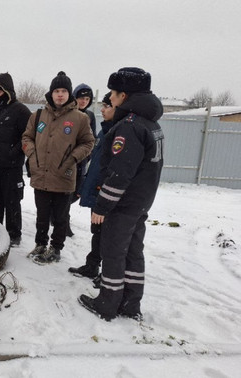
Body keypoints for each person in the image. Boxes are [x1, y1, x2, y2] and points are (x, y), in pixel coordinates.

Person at [78, 67, 165, 321]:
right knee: (133, 252)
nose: (110, 98)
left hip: (124, 204)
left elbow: (119, 173)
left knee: (114, 251)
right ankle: (130, 302)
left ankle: (108, 302)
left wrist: (102, 206)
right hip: (140, 203)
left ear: (124, 96)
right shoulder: (151, 123)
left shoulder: (129, 127)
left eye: (113, 93)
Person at [21, 71, 94, 264]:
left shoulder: (80, 118)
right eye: (56, 91)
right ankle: (40, 244)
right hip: (41, 173)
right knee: (42, 215)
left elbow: (88, 143)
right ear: (51, 93)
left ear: (69, 94)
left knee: (60, 218)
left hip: (64, 175)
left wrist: (72, 159)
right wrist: (32, 155)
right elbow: (26, 137)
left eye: (63, 91)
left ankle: (56, 248)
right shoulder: (38, 115)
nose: (59, 94)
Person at [68, 92, 115, 282]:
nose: (102, 110)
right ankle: (92, 265)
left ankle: (109, 275)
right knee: (97, 232)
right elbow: (97, 164)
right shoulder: (106, 131)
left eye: (106, 106)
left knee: (109, 236)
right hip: (98, 190)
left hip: (107, 194)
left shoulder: (120, 132)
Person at [0, 73, 31, 245]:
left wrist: (14, 151)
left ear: (7, 91)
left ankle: (14, 234)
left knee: (12, 201)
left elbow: (27, 136)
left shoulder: (21, 111)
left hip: (12, 166)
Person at [63, 83, 98, 237]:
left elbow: (93, 139)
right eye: (80, 98)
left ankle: (60, 215)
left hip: (82, 161)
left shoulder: (89, 116)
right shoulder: (69, 113)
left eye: (87, 98)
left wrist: (86, 155)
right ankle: (63, 221)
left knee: (77, 192)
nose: (83, 101)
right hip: (67, 160)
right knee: (64, 192)